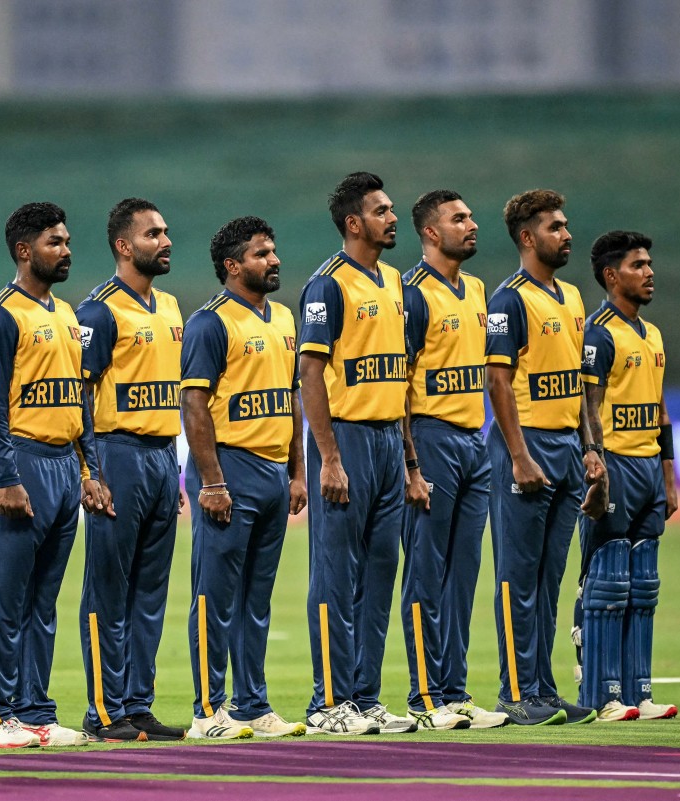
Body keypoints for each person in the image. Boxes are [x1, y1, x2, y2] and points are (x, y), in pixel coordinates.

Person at [0, 202, 109, 749]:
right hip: (21, 463)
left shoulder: (69, 316)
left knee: (42, 601)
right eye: (55, 242)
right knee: (3, 598)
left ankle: (34, 711)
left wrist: (90, 470)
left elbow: (81, 402)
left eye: (68, 241)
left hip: (61, 466)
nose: (67, 250)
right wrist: (4, 477)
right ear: (25, 251)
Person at [180, 216, 307, 741]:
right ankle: (208, 712)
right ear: (233, 266)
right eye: (261, 254)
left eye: (273, 252)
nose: (273, 260)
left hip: (274, 472)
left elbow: (291, 399)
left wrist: (298, 472)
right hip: (228, 469)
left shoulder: (283, 318)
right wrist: (211, 481)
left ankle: (252, 705)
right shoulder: (210, 323)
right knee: (214, 595)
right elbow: (194, 404)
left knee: (257, 598)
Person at [299, 172, 415, 735]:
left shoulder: (394, 282)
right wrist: (330, 458)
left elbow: (402, 378)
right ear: (353, 222)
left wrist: (410, 462)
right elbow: (310, 375)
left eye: (392, 210)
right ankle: (328, 703)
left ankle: (365, 698)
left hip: (389, 441)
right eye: (382, 210)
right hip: (345, 438)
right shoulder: (327, 285)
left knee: (379, 572)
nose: (393, 218)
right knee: (335, 574)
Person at [485, 189, 606, 726]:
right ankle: (514, 692)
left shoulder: (574, 298)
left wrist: (590, 448)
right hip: (527, 445)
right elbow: (498, 380)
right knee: (517, 574)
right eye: (556, 227)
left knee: (549, 578)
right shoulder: (508, 300)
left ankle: (543, 688)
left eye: (566, 224)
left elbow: (580, 386)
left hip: (565, 448)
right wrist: (518, 455)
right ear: (528, 238)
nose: (567, 234)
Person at [76, 198, 185, 743]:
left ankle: (138, 704)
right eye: (152, 234)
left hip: (164, 456)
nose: (165, 241)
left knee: (150, 592)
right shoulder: (98, 311)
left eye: (165, 232)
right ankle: (103, 710)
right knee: (108, 589)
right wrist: (88, 470)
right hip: (117, 453)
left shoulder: (170, 307)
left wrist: (178, 471)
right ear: (124, 245)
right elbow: (80, 396)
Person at [398, 191, 508, 730]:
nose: (473, 225)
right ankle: (424, 698)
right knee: (425, 569)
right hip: (431, 437)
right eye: (459, 219)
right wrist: (410, 462)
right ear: (431, 233)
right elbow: (396, 384)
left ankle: (456, 691)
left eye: (471, 215)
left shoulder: (478, 289)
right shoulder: (412, 296)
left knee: (463, 573)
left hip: (474, 438)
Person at [574, 230, 678, 721]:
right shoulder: (598, 332)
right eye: (638, 265)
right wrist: (595, 462)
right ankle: (602, 694)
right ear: (613, 276)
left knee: (645, 585)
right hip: (613, 465)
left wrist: (669, 475)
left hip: (648, 472)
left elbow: (659, 414)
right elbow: (586, 406)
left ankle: (639, 691)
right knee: (609, 582)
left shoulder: (652, 334)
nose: (650, 271)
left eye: (650, 263)